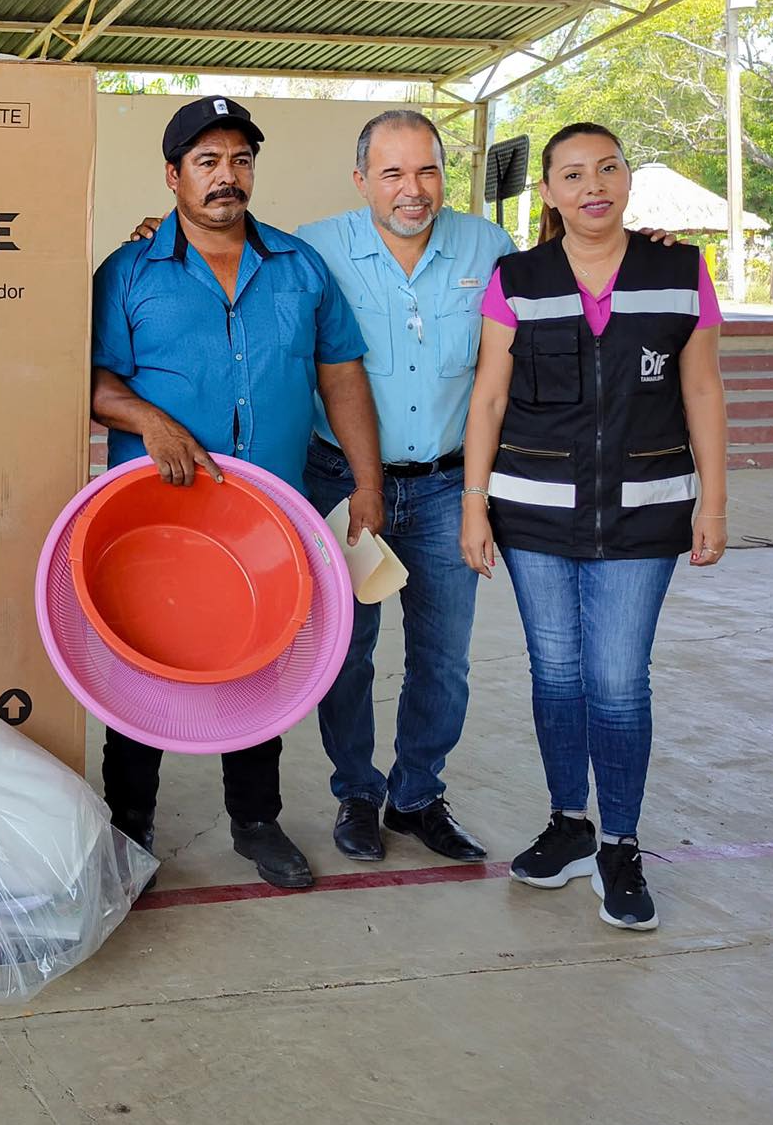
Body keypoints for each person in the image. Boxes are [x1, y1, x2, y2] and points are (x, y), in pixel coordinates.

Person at [91, 95, 383, 891]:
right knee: (145, 662)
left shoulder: (298, 267)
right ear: (173, 177)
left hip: (267, 516)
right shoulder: (127, 271)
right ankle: (129, 828)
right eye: (208, 163)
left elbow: (342, 374)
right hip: (158, 517)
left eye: (240, 161)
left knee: (260, 662)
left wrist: (365, 482)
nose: (227, 178)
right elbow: (92, 379)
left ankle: (255, 822)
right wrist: (148, 419)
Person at [461, 123, 727, 932]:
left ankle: (620, 842)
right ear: (548, 193)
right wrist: (475, 503)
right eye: (572, 174)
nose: (592, 185)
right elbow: (490, 396)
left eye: (607, 168)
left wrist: (712, 501)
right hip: (534, 511)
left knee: (616, 682)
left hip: (644, 513)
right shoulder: (517, 277)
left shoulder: (680, 270)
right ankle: (568, 823)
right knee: (556, 675)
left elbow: (704, 392)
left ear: (626, 179)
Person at [292, 112, 515, 865]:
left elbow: (564, 291)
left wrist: (644, 252)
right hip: (344, 482)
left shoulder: (489, 248)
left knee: (443, 657)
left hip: (451, 483)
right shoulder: (315, 248)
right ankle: (357, 792)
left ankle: (417, 794)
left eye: (426, 171)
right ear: (362, 181)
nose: (412, 190)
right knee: (346, 653)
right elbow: (227, 253)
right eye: (392, 173)